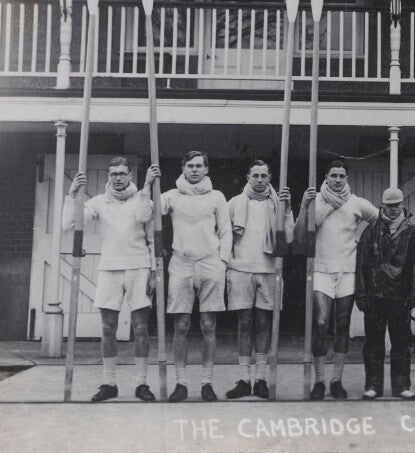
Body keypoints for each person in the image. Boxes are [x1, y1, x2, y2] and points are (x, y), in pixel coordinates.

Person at [62, 157, 157, 402]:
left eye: (122, 173)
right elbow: (69, 223)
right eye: (113, 173)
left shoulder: (142, 197)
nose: (117, 178)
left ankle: (141, 383)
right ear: (108, 176)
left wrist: (155, 272)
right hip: (110, 268)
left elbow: (146, 220)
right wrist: (72, 195)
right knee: (107, 328)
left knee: (141, 328)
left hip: (138, 266)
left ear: (130, 176)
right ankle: (109, 382)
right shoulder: (99, 202)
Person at [296, 160, 379, 400]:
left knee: (342, 325)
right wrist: (304, 206)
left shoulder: (357, 203)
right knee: (321, 324)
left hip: (348, 270)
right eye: (334, 175)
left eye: (342, 175)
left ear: (347, 178)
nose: (338, 179)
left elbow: (381, 221)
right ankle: (320, 380)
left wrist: (367, 248)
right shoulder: (315, 201)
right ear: (326, 176)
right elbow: (300, 235)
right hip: (321, 270)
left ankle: (336, 380)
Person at [161, 150, 232, 402]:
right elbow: (147, 214)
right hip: (181, 262)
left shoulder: (217, 196)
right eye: (189, 165)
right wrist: (149, 184)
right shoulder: (170, 195)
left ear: (206, 169)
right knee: (180, 325)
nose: (194, 169)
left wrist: (222, 261)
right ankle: (180, 383)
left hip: (210, 262)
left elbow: (226, 231)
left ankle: (207, 382)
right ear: (183, 167)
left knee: (208, 325)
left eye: (199, 166)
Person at [225, 160, 293, 400]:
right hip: (241, 269)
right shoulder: (234, 203)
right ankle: (244, 379)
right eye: (256, 175)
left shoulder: (278, 204)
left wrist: (287, 208)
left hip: (268, 269)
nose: (260, 180)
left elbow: (290, 237)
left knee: (264, 324)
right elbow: (223, 236)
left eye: (264, 175)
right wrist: (227, 264)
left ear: (270, 177)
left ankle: (261, 378)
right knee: (244, 324)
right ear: (248, 176)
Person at [355, 187, 415, 400]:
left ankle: (401, 385)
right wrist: (361, 293)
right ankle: (373, 385)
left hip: (400, 296)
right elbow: (361, 264)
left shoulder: (410, 232)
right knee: (373, 342)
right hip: (375, 294)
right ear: (382, 205)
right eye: (389, 205)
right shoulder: (370, 230)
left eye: (397, 205)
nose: (393, 209)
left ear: (402, 204)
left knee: (401, 342)